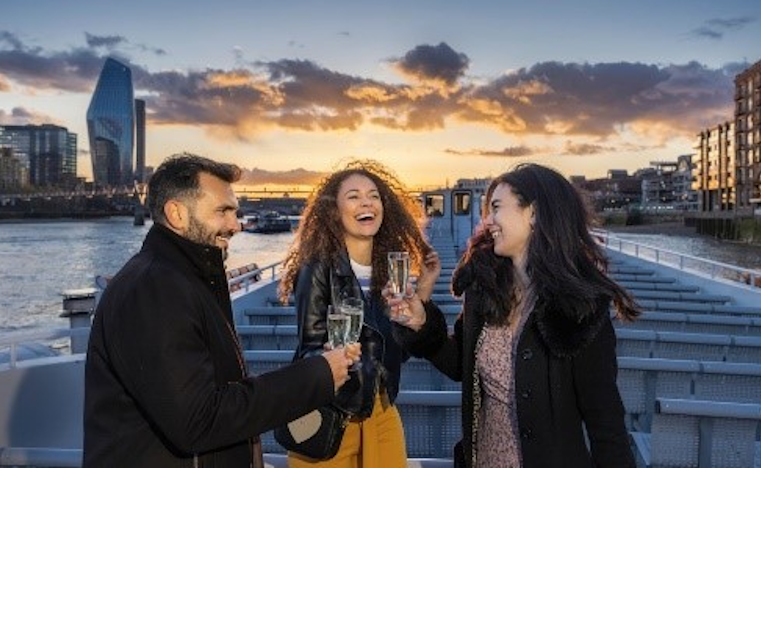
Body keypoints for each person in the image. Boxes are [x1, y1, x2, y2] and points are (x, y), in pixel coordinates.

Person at [83, 152, 358, 467]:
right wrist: (317, 376)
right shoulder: (155, 288)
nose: (236, 225)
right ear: (177, 214)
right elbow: (197, 420)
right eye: (223, 211)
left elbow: (211, 391)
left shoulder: (182, 278)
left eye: (236, 211)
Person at [387, 162, 638, 467]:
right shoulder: (485, 290)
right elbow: (460, 365)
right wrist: (422, 323)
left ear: (532, 213)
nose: (487, 222)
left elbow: (606, 423)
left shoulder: (578, 308)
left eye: (496, 208)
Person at [278, 159, 440, 468]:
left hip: (380, 407)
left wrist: (424, 290)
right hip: (331, 411)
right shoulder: (316, 268)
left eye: (374, 195)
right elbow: (310, 347)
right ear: (333, 212)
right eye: (353, 196)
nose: (366, 201)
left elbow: (398, 355)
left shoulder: (389, 275)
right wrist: (330, 355)